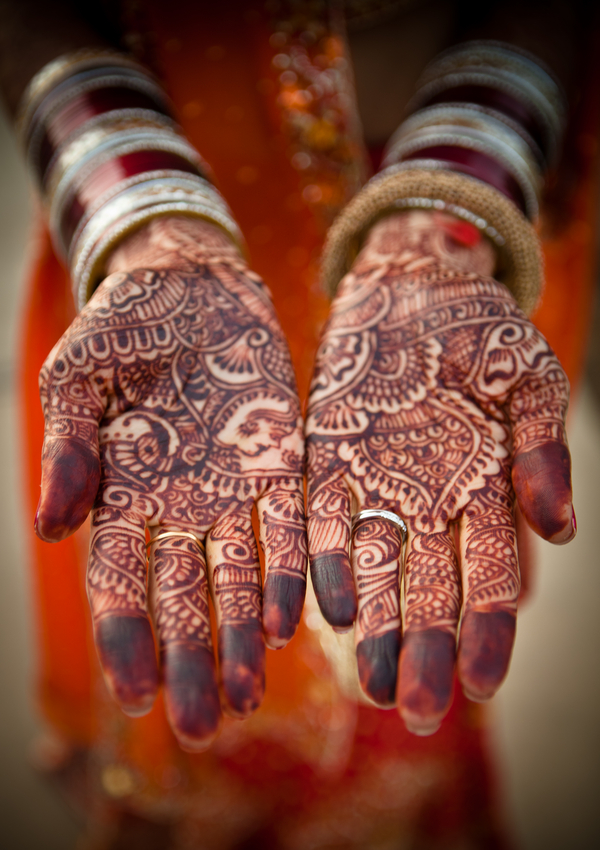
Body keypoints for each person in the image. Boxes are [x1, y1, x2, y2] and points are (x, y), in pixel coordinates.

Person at [0, 0, 597, 846]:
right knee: (189, 629)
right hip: (165, 224)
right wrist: (141, 222)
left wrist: (451, 206)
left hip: (448, 291)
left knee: (413, 612)